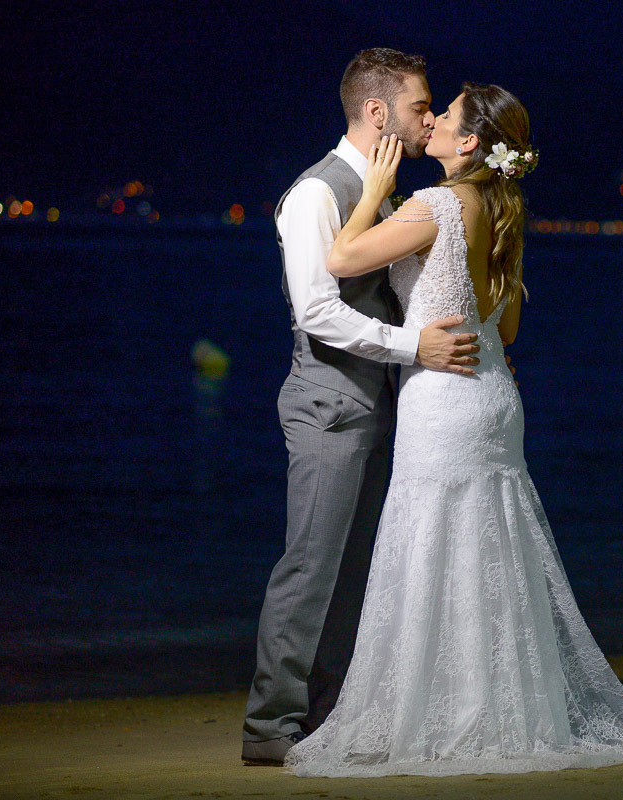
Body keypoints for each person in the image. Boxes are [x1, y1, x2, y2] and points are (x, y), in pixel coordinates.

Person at [282, 82, 623, 777]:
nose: (430, 121)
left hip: (441, 393)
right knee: (489, 550)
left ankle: (445, 710)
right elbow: (510, 324)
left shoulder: (434, 203)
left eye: (447, 116)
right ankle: (498, 703)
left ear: (468, 144)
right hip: (493, 391)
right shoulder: (502, 207)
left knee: (435, 546)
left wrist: (373, 191)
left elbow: (341, 261)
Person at [241, 48, 484, 767]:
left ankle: (326, 710)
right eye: (418, 106)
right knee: (311, 565)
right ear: (377, 113)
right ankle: (269, 725)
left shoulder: (398, 195)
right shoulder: (316, 194)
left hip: (381, 406)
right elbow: (318, 310)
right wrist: (416, 348)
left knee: (354, 571)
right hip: (328, 402)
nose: (427, 119)